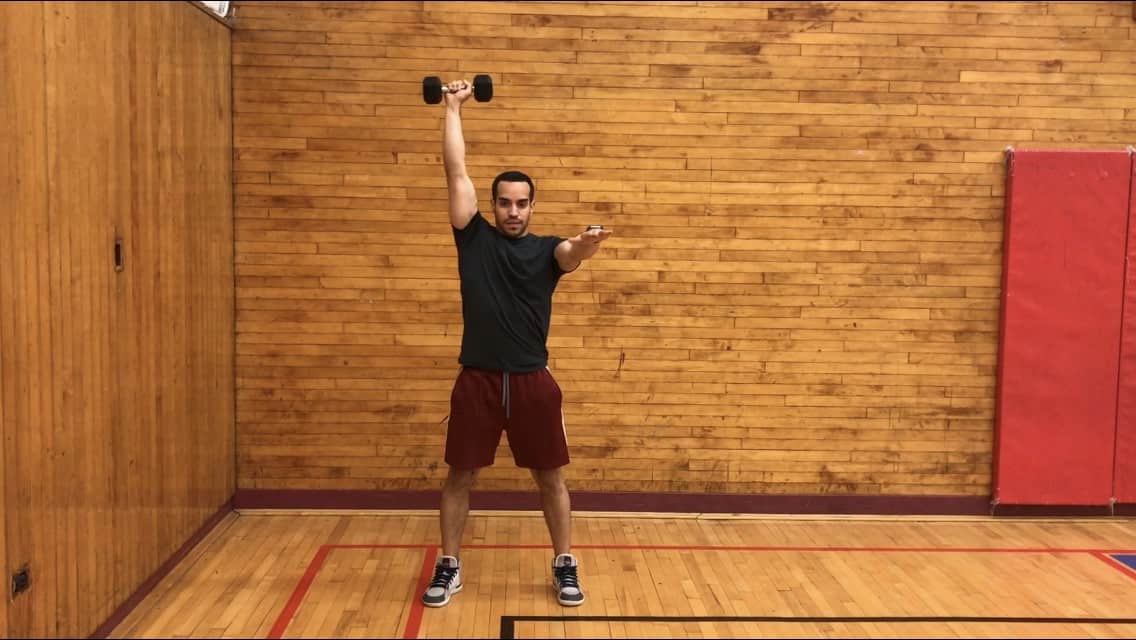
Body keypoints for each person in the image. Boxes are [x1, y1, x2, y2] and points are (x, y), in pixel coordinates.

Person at [420, 78, 612, 609]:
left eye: (522, 203)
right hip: (477, 381)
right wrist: (452, 107)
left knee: (550, 478)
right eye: (504, 203)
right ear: (493, 205)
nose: (512, 211)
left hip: (532, 383)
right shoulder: (472, 236)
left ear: (531, 207)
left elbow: (571, 253)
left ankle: (564, 563)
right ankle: (450, 564)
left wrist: (587, 244)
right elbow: (455, 170)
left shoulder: (549, 251)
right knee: (460, 476)